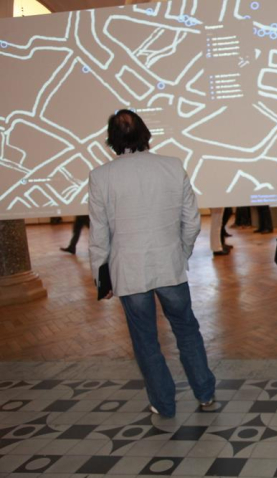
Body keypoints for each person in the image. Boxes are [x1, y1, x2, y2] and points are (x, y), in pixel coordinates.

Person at [88, 109, 215, 417]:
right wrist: (181, 251)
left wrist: (100, 278)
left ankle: (162, 402)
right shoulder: (172, 167)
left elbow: (99, 233)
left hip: (129, 272)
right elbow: (192, 221)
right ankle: (205, 394)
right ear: (145, 133)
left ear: (112, 140)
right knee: (186, 330)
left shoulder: (101, 176)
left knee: (145, 339)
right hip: (169, 265)